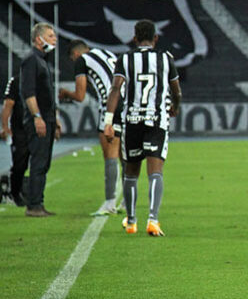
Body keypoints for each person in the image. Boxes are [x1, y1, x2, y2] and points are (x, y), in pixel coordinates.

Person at [104, 20, 181, 237]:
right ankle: (153, 220)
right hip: (156, 120)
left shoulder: (125, 59)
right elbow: (177, 90)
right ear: (156, 38)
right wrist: (175, 106)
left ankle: (131, 221)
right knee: (155, 172)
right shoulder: (166, 58)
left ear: (135, 39)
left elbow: (115, 89)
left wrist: (109, 122)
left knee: (131, 173)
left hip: (132, 121)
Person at [59, 40, 123, 216]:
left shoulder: (82, 60)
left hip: (110, 105)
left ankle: (110, 203)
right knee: (125, 154)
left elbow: (80, 95)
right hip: (128, 102)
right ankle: (127, 200)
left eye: (73, 59)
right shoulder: (107, 53)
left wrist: (66, 93)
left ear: (76, 54)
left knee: (110, 154)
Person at [20, 22, 61, 217]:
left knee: (43, 162)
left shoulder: (42, 60)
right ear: (39, 39)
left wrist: (55, 119)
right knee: (38, 161)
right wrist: (37, 117)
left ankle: (38, 202)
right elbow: (28, 92)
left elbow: (47, 94)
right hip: (39, 119)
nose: (54, 40)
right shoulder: (31, 60)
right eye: (51, 36)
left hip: (47, 118)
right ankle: (34, 205)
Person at [1, 76, 29, 206]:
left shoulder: (41, 78)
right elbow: (8, 104)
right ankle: (15, 192)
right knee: (20, 163)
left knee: (38, 163)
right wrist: (5, 127)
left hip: (36, 129)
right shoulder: (15, 81)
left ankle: (34, 194)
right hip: (20, 130)